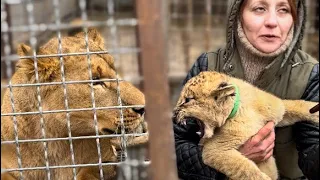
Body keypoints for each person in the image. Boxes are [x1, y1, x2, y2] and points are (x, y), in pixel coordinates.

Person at [173, 0, 319, 180]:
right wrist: (234, 159)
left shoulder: (310, 73)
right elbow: (176, 145)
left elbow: (311, 154)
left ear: (295, 19)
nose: (272, 22)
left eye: (283, 10)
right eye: (259, 8)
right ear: (238, 14)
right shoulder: (208, 67)